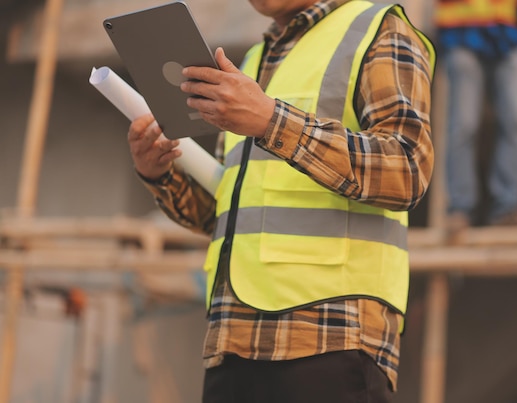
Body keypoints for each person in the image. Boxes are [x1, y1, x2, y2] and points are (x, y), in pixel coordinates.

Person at [127, 0, 435, 401]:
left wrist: (272, 121)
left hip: (331, 336)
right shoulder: (253, 60)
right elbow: (229, 214)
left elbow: (408, 169)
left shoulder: (377, 28)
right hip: (232, 340)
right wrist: (158, 173)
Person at [435, 0, 517, 227]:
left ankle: (507, 209)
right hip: (461, 36)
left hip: (507, 37)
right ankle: (460, 209)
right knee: (464, 126)